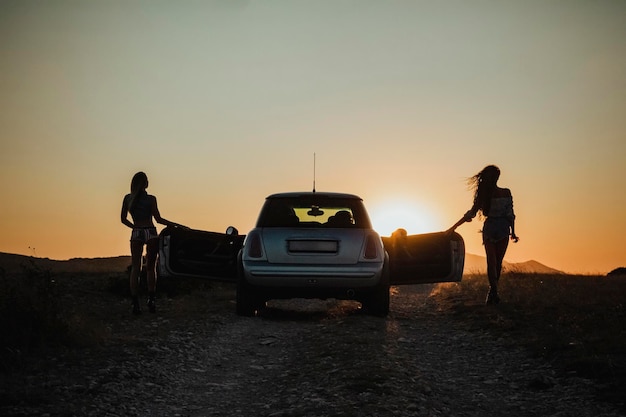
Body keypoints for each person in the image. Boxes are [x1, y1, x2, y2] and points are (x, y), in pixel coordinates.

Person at [448, 165, 519, 304]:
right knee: (493, 262)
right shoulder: (488, 195)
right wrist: (454, 227)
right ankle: (493, 291)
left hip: (499, 228)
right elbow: (472, 213)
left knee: (495, 262)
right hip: (496, 228)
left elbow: (510, 214)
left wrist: (514, 232)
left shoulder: (503, 193)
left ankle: (493, 291)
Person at [121, 172, 183, 314]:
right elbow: (158, 219)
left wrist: (135, 227)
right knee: (151, 267)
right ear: (145, 183)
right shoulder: (151, 199)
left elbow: (123, 219)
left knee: (135, 268)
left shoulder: (128, 199)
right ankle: (151, 299)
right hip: (150, 231)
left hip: (136, 232)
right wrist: (175, 225)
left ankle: (135, 303)